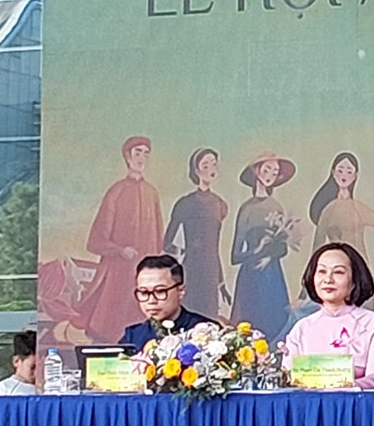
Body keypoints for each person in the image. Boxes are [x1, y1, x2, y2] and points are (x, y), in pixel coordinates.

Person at [78, 136, 165, 342]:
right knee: (111, 332)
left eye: (145, 153)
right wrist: (120, 251)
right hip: (118, 276)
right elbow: (96, 240)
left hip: (144, 276)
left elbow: (158, 237)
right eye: (137, 153)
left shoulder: (151, 193)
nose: (141, 158)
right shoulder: (116, 191)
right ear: (127, 156)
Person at [282, 242, 374, 389]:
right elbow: (288, 380)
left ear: (354, 282)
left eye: (338, 272)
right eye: (322, 271)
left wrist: (341, 388)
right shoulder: (301, 328)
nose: (328, 279)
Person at [229, 151, 297, 336]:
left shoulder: (276, 207)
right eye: (267, 170)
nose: (270, 176)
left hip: (273, 277)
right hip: (251, 278)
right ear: (256, 171)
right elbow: (235, 256)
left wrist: (278, 245)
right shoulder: (247, 209)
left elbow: (282, 250)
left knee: (276, 327)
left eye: (274, 172)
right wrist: (258, 251)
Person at [163, 147, 228, 319]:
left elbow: (215, 247)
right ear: (196, 170)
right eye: (205, 165)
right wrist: (184, 252)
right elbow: (167, 243)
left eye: (214, 164)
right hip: (191, 268)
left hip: (211, 269)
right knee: (189, 314)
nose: (211, 169)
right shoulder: (185, 203)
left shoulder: (220, 204)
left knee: (210, 317)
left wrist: (221, 282)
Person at [120, 254, 215, 352]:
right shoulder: (133, 337)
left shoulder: (207, 331)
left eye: (160, 291)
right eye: (144, 292)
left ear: (180, 291)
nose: (151, 300)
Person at [0, 330, 37, 395]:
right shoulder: (5, 388)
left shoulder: (48, 387)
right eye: (33, 367)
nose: (36, 373)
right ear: (16, 361)